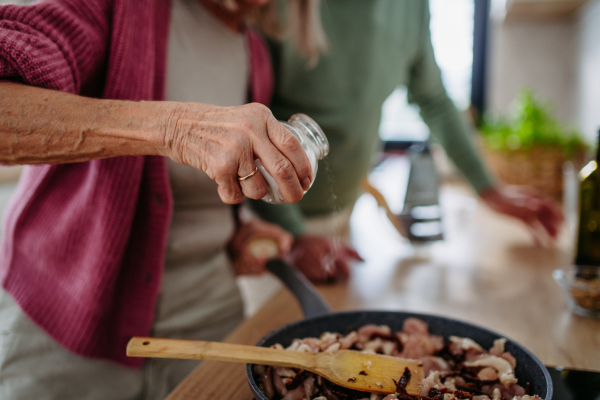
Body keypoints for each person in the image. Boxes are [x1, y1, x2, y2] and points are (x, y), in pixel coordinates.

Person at [0, 0, 325, 398]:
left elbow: (199, 191)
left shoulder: (254, 52)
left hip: (212, 328)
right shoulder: (117, 9)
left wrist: (232, 230)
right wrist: (172, 128)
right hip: (68, 332)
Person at [251, 0, 564, 282]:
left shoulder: (410, 6)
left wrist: (491, 189)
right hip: (272, 223)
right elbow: (250, 127)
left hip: (343, 213)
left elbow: (435, 101)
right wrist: (295, 235)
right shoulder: (275, 7)